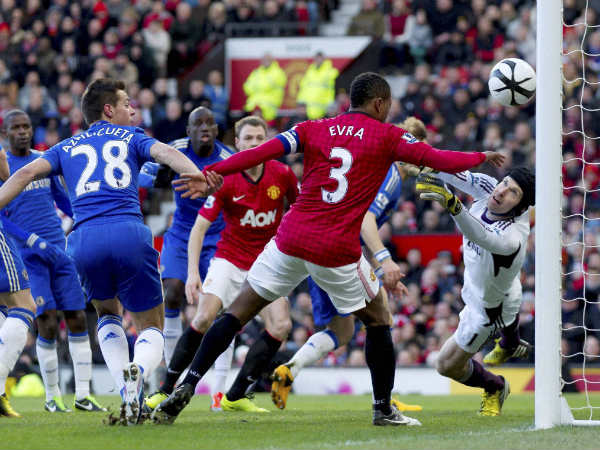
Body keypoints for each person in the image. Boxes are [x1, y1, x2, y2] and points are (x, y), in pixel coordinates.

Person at [155, 71, 504, 426]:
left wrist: (212, 171)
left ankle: (187, 385)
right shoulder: (390, 136)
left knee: (236, 312)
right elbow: (439, 159)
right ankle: (383, 409)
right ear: (379, 103)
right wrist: (480, 156)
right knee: (378, 318)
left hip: (290, 238)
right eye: (388, 105)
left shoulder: (314, 127)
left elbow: (262, 152)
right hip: (335, 247)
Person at [0, 78, 215, 425]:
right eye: (127, 103)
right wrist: (197, 175)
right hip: (128, 232)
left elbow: (25, 173)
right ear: (108, 109)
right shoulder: (132, 137)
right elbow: (166, 153)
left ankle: (126, 392)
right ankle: (138, 371)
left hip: (84, 240)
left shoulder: (65, 146)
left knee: (106, 313)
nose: (133, 110)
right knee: (152, 324)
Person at [270, 117, 428, 412]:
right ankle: (384, 400)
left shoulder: (373, 164)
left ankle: (291, 368)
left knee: (342, 331)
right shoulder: (392, 174)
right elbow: (366, 220)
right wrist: (385, 261)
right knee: (381, 319)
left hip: (320, 248)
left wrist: (378, 267)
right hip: (341, 255)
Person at [146, 115, 298, 413]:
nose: (255, 143)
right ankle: (165, 389)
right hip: (229, 259)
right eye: (248, 138)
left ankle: (236, 395)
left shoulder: (282, 175)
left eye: (260, 138)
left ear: (268, 141)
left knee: (281, 325)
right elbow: (199, 228)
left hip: (266, 265)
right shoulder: (225, 177)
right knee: (203, 317)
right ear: (237, 144)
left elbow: (300, 209)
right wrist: (192, 273)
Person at [0, 110, 105, 413]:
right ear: (5, 133)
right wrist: (31, 240)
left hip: (59, 250)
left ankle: (83, 395)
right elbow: (2, 218)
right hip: (27, 256)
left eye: (26, 126)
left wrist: (86, 219)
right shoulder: (5, 168)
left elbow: (62, 199)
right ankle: (52, 397)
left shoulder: (43, 162)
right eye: (16, 128)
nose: (22, 132)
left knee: (77, 317)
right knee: (46, 321)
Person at [414, 165, 535, 416]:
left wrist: (451, 203)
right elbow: (455, 173)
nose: (501, 191)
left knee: (445, 365)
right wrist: (423, 162)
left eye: (513, 193)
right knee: (505, 298)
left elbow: (480, 234)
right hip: (501, 286)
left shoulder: (511, 237)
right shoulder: (491, 189)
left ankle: (495, 386)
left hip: (487, 310)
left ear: (520, 208)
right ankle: (511, 343)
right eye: (505, 183)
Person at [153, 106, 233, 366]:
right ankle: (171, 373)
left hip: (216, 234)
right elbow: (145, 172)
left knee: (220, 303)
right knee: (172, 292)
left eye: (209, 123)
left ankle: (219, 382)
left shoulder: (228, 158)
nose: (204, 128)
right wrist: (157, 178)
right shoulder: (175, 149)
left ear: (217, 130)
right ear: (188, 130)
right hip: (181, 232)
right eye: (198, 123)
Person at [243, 53, 287, 122]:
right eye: (264, 60)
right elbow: (246, 87)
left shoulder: (278, 72)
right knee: (244, 121)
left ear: (272, 60)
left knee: (259, 122)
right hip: (253, 105)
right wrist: (260, 87)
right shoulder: (256, 72)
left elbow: (266, 86)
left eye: (268, 60)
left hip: (269, 106)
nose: (265, 61)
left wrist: (256, 87)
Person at [296, 52, 339, 120]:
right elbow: (303, 88)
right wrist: (301, 102)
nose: (318, 60)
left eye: (320, 58)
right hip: (309, 112)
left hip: (325, 111)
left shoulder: (331, 72)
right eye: (317, 58)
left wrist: (331, 105)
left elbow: (336, 88)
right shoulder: (310, 72)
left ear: (324, 59)